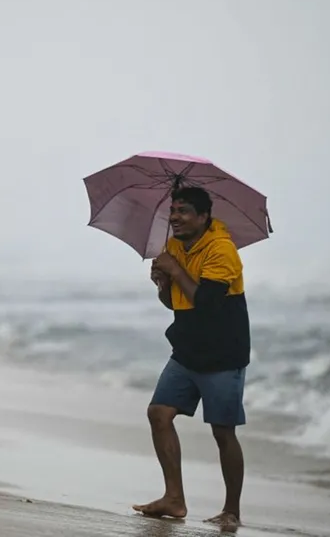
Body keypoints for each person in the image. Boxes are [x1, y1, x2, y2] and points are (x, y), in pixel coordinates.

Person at [132, 186, 250, 529]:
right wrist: (162, 283)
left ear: (203, 216)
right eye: (173, 211)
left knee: (223, 432)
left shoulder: (222, 249)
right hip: (186, 351)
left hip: (223, 354)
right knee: (158, 413)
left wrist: (174, 270)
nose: (175, 217)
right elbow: (176, 303)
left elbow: (207, 303)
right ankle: (174, 498)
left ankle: (231, 511)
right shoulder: (173, 247)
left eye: (183, 211)